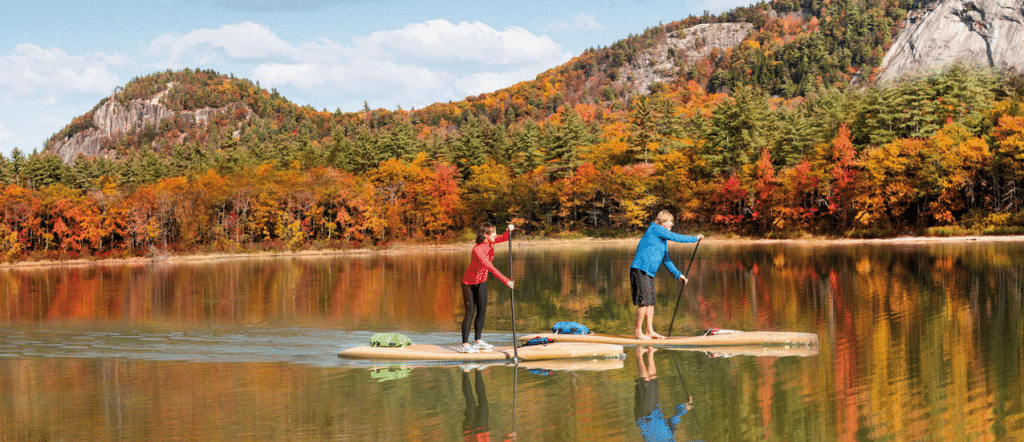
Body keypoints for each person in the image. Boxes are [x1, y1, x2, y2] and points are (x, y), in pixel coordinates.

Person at [630, 210, 702, 339]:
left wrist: (678, 275)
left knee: (650, 302)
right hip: (640, 270)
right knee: (644, 302)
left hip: (649, 273)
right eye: (670, 222)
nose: (672, 225)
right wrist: (695, 239)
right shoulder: (655, 229)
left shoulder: (662, 240)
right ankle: (638, 332)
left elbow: (666, 260)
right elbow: (676, 237)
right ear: (663, 222)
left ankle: (649, 331)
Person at [460, 222, 515, 353]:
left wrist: (509, 230)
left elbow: (505, 237)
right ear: (485, 234)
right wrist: (506, 281)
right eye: (493, 232)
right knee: (470, 313)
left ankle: (478, 342)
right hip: (469, 283)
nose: (496, 235)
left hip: (482, 281)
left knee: (482, 311)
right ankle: (464, 345)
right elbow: (490, 267)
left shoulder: (490, 243)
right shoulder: (477, 250)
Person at [634, 347, 695, 442]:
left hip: (646, 416)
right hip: (655, 411)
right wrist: (684, 407)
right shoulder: (671, 439)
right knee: (653, 379)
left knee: (646, 383)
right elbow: (672, 421)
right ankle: (650, 353)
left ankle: (639, 354)